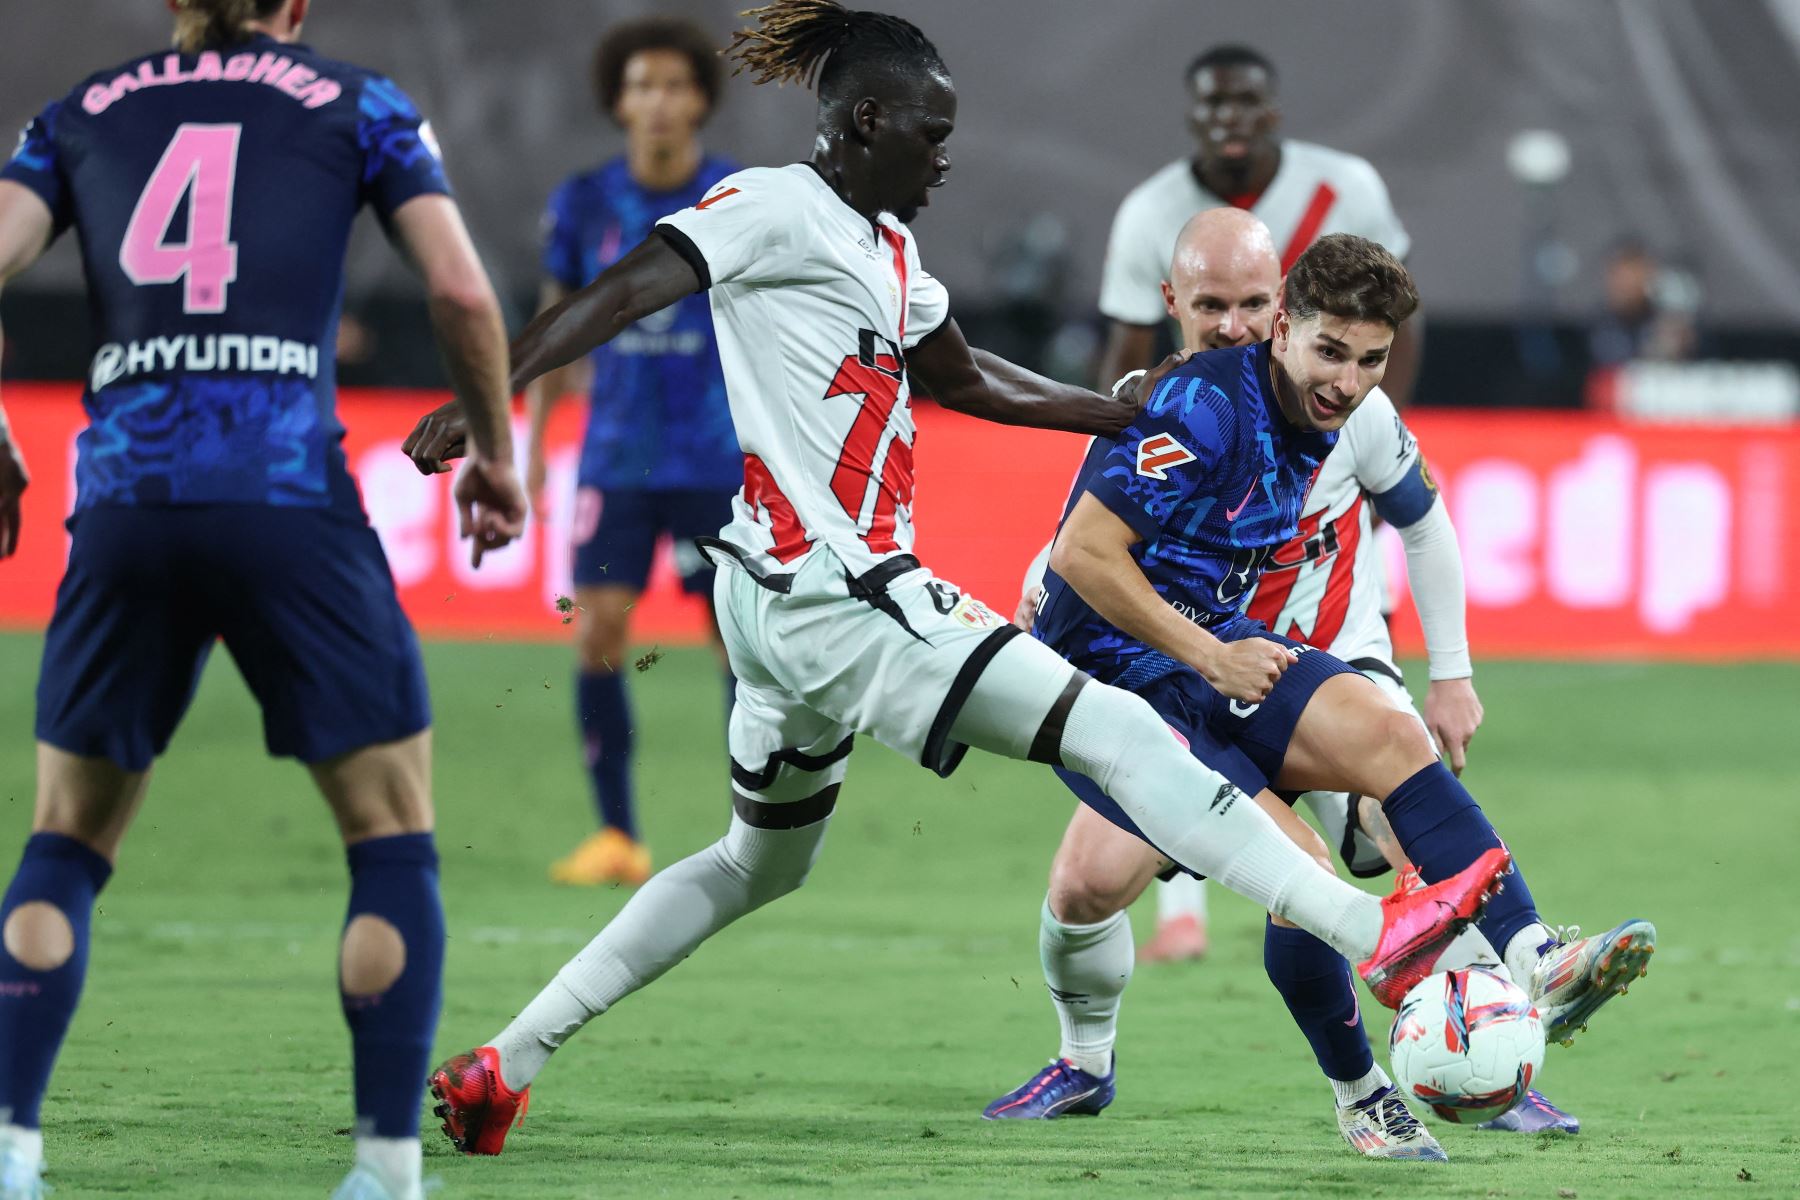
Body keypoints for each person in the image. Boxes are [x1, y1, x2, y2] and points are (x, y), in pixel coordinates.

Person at [419, 0, 1507, 1158]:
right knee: (1123, 732)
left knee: (754, 863)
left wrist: (1114, 408)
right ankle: (1373, 930)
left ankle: (505, 1064)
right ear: (868, 119)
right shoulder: (771, 206)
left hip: (779, 605)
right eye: (931, 134)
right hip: (842, 591)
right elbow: (632, 285)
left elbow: (966, 376)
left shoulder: (887, 252)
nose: (946, 160)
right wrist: (489, 407)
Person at [0, 2, 526, 1197]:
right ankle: (386, 1167)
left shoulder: (79, 110)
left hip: (127, 505)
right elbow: (459, 293)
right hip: (288, 497)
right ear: (297, 6)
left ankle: (12, 1148)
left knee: (66, 840)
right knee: (390, 835)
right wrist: (497, 451)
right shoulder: (362, 102)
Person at [996, 228, 1653, 1143]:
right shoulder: (1199, 405)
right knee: (1182, 881)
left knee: (1394, 745)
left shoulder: (1333, 411)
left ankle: (1535, 962)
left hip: (1240, 647)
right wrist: (1200, 651)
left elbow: (1418, 525)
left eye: (1370, 360)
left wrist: (1446, 674)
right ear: (1285, 333)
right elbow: (1082, 552)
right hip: (1121, 689)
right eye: (1330, 353)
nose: (1347, 379)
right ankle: (1354, 1092)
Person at [1098, 44, 1423, 961]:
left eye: (1247, 104)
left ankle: (1492, 959)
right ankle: (1119, 1003)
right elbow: (1120, 363)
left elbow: (1394, 319)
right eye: (1214, 107)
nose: (1234, 326)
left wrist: (1366, 417)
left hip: (1316, 594)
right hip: (1200, 602)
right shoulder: (1150, 214)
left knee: (1383, 784)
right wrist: (1130, 451)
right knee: (1090, 880)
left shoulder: (1345, 190)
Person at [530, 18, 742, 888]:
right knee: (601, 636)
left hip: (719, 461)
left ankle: (753, 832)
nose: (658, 101)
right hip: (618, 459)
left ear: (700, 99)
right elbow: (555, 328)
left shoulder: (736, 198)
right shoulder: (584, 203)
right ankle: (617, 835)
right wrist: (536, 446)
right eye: (642, 85)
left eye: (675, 85)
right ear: (619, 101)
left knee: (741, 646)